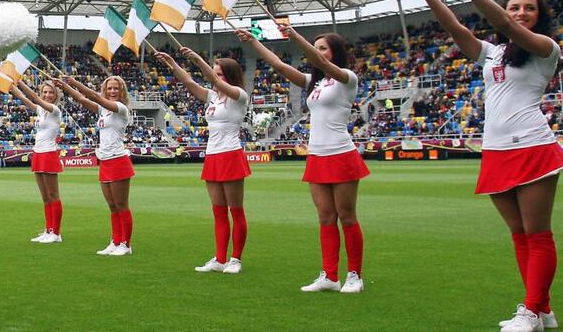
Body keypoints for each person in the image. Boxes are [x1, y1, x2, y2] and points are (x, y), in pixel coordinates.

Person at [407, 0, 563, 332]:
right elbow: (458, 32)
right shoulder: (494, 53)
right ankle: (541, 309)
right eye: (516, 6)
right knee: (519, 233)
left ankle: (530, 311)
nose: (521, 12)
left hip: (532, 146)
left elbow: (505, 25)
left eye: (529, 8)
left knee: (538, 233)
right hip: (496, 150)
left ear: (540, 16)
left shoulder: (545, 48)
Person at [234, 27, 369, 293]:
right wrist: (254, 42)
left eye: (323, 48)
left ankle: (355, 275)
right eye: (316, 47)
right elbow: (279, 65)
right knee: (326, 217)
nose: (318, 53)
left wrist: (295, 37)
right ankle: (330, 275)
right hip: (317, 155)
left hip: (341, 154)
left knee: (347, 216)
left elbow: (320, 63)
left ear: (335, 53)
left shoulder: (347, 79)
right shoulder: (315, 83)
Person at [155, 48, 250, 274]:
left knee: (235, 210)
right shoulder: (213, 97)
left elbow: (208, 78)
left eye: (221, 74)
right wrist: (172, 63)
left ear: (230, 76)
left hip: (230, 154)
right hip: (213, 155)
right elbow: (188, 82)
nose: (216, 78)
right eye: (215, 73)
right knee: (218, 210)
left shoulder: (239, 95)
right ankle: (219, 258)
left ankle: (235, 259)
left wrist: (198, 60)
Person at [54, 75, 135, 256]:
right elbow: (82, 99)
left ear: (122, 91)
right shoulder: (103, 111)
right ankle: (115, 241)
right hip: (105, 160)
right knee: (112, 205)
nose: (112, 91)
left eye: (116, 88)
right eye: (110, 88)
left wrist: (73, 82)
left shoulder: (120, 109)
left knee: (122, 205)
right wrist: (66, 87)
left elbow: (95, 97)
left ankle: (126, 244)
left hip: (118, 160)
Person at [10, 79, 64, 244]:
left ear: (56, 95)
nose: (47, 95)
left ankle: (56, 232)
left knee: (53, 195)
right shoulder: (41, 110)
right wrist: (11, 86)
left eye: (50, 92)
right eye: (45, 92)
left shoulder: (54, 110)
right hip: (38, 153)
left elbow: (33, 97)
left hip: (48, 153)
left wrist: (21, 82)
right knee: (45, 197)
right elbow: (26, 100)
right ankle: (49, 230)